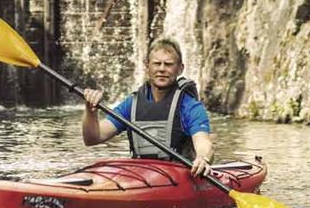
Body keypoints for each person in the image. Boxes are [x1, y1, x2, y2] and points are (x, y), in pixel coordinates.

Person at [82, 38, 213, 177]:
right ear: (147, 66)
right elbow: (93, 138)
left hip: (179, 177)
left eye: (168, 64)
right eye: (157, 63)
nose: (162, 69)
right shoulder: (132, 104)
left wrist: (203, 158)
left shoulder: (190, 106)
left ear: (180, 69)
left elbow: (204, 142)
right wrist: (90, 112)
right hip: (140, 177)